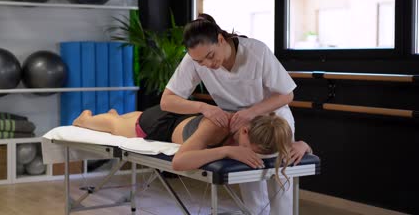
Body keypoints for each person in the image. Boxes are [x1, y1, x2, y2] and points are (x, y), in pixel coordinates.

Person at [160, 13, 298, 214]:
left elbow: (286, 95)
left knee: (280, 183)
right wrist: (204, 107)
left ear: (221, 39)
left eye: (210, 56)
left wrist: (251, 112)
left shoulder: (256, 51)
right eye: (200, 62)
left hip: (272, 120)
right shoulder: (195, 59)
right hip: (240, 125)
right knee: (250, 185)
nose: (207, 64)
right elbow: (167, 101)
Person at [72, 105, 312, 180]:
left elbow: (296, 145)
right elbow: (179, 161)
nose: (252, 155)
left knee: (126, 118)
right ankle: (87, 119)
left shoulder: (270, 130)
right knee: (117, 127)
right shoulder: (216, 127)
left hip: (183, 123)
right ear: (245, 131)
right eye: (251, 149)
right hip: (159, 125)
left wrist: (301, 145)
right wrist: (228, 150)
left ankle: (115, 114)